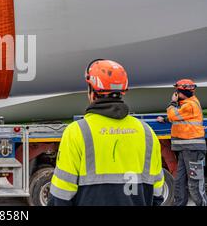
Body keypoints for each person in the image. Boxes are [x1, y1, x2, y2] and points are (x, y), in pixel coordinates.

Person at [49, 59, 164, 206]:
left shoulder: (76, 132)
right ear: (122, 91)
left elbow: (61, 196)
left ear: (92, 91)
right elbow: (157, 194)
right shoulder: (147, 132)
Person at [156, 79, 207, 206]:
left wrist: (172, 102)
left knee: (194, 183)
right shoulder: (186, 105)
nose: (175, 94)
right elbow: (179, 118)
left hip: (192, 149)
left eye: (176, 92)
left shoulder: (190, 105)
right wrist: (165, 119)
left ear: (181, 92)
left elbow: (175, 115)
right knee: (179, 182)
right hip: (185, 149)